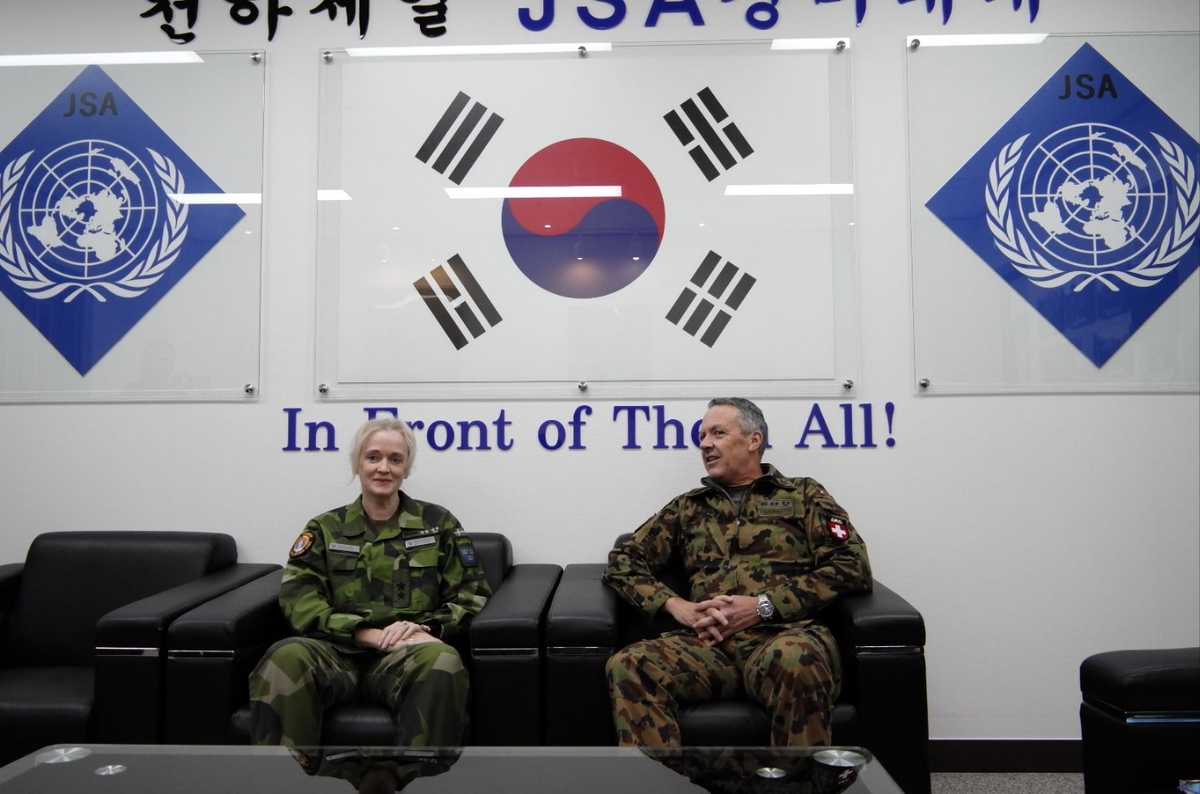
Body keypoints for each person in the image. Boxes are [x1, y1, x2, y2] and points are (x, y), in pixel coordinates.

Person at [603, 397, 872, 748]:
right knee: (630, 664)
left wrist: (762, 606)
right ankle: (660, 786)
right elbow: (623, 561)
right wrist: (676, 606)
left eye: (717, 432)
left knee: (796, 658)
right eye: (701, 436)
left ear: (753, 440)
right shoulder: (688, 507)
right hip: (710, 648)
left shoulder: (803, 495)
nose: (705, 444)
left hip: (783, 637)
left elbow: (852, 565)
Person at [248, 417, 492, 747]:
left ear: (407, 468)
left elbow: (472, 591)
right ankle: (288, 784)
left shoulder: (438, 524)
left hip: (407, 656)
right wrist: (367, 635)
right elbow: (299, 597)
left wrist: (430, 630)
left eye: (396, 459)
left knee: (443, 662)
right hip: (336, 654)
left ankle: (416, 783)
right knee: (285, 657)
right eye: (373, 457)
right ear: (357, 463)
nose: (384, 468)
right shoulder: (324, 528)